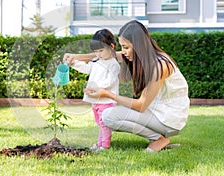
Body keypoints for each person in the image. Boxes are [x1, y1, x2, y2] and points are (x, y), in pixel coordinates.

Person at [64, 20, 190, 152]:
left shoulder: (160, 65)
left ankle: (158, 139)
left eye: (126, 47)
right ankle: (157, 138)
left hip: (169, 118)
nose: (122, 51)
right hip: (157, 111)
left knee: (108, 115)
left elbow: (141, 105)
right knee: (111, 113)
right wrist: (76, 57)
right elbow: (107, 55)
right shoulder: (144, 57)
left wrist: (107, 94)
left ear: (139, 45)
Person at [68, 29, 120, 151]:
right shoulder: (97, 61)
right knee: (99, 123)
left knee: (104, 123)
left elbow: (110, 81)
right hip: (96, 100)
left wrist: (96, 87)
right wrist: (74, 63)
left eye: (101, 50)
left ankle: (105, 145)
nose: (98, 54)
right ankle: (100, 143)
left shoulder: (113, 64)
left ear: (111, 47)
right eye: (96, 51)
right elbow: (87, 69)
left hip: (106, 100)